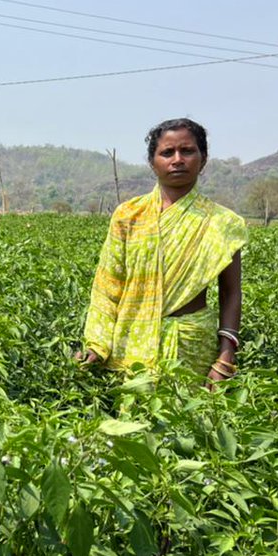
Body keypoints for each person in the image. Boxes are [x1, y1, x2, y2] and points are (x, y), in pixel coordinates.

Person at [77, 118, 245, 383]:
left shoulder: (222, 222)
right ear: (152, 162)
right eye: (167, 152)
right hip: (131, 342)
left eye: (187, 151)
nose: (177, 159)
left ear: (203, 159)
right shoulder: (129, 215)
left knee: (190, 421)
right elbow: (109, 285)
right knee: (132, 421)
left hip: (190, 342)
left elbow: (231, 292)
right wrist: (96, 343)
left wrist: (225, 358)